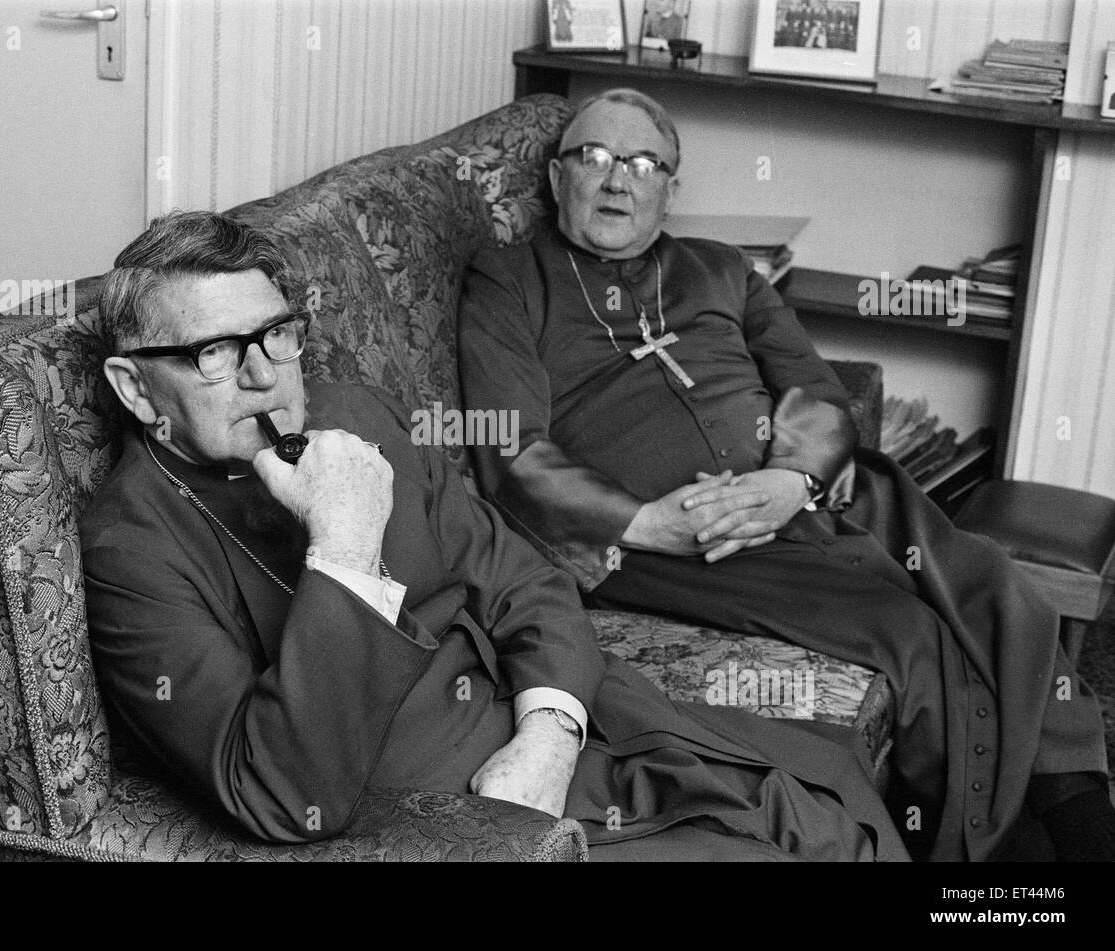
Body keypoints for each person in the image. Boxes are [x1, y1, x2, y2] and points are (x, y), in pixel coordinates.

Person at [79, 209, 908, 861]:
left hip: (564, 724)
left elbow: (527, 579)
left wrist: (551, 728)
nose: (266, 374)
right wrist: (344, 549)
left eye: (277, 335)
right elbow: (283, 793)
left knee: (832, 806)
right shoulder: (131, 548)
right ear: (136, 388)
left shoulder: (354, 413)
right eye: (217, 352)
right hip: (454, 819)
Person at [456, 88, 1115, 862]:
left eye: (642, 164)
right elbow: (509, 447)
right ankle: (1001, 857)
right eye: (593, 158)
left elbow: (815, 387)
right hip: (678, 539)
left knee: (995, 584)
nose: (615, 181)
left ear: (672, 187)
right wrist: (645, 523)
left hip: (812, 492)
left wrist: (792, 479)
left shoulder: (722, 269)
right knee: (909, 631)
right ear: (558, 175)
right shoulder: (508, 279)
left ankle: (1079, 810)